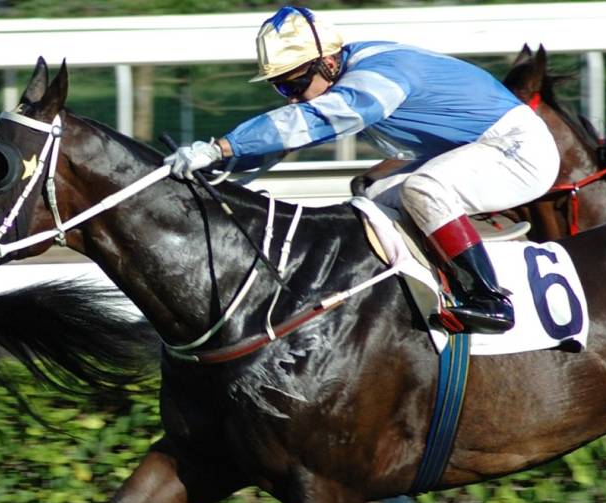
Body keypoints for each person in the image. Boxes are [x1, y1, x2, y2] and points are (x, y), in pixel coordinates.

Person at [164, 5, 557, 334]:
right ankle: (413, 292)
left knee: (423, 189)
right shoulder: (342, 73)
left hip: (518, 149)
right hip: (474, 150)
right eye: (282, 88)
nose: (294, 95)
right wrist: (216, 168)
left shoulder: (380, 74)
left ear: (329, 62)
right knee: (369, 200)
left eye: (296, 82)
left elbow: (307, 123)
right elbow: (290, 135)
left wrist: (219, 147)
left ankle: (490, 299)